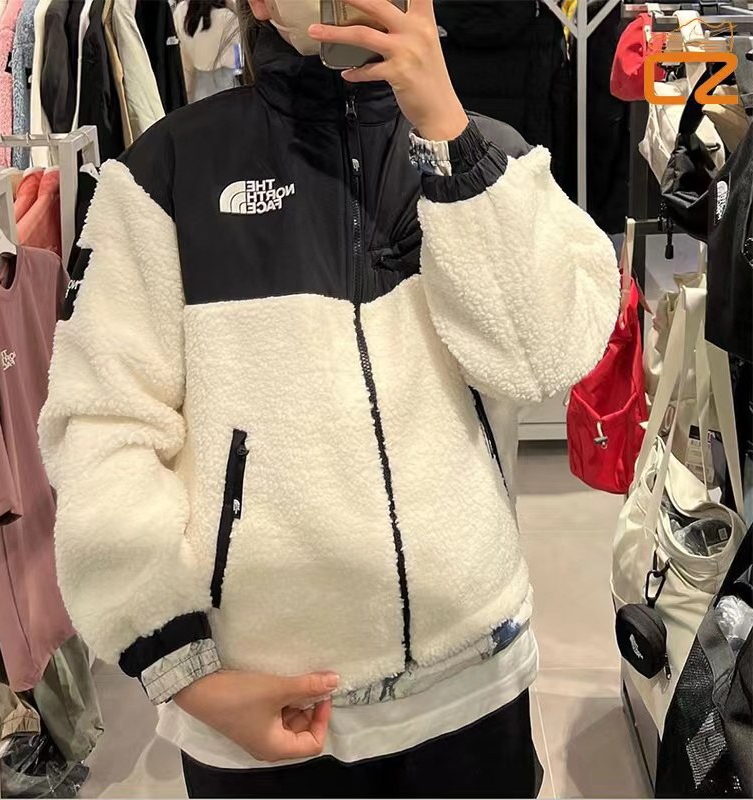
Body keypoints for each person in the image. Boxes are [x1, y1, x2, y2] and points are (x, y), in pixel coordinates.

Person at [39, 0, 619, 796]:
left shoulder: (487, 154)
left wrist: (450, 138)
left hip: (474, 686)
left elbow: (542, 360)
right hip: (260, 705)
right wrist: (182, 670)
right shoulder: (167, 172)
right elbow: (104, 427)